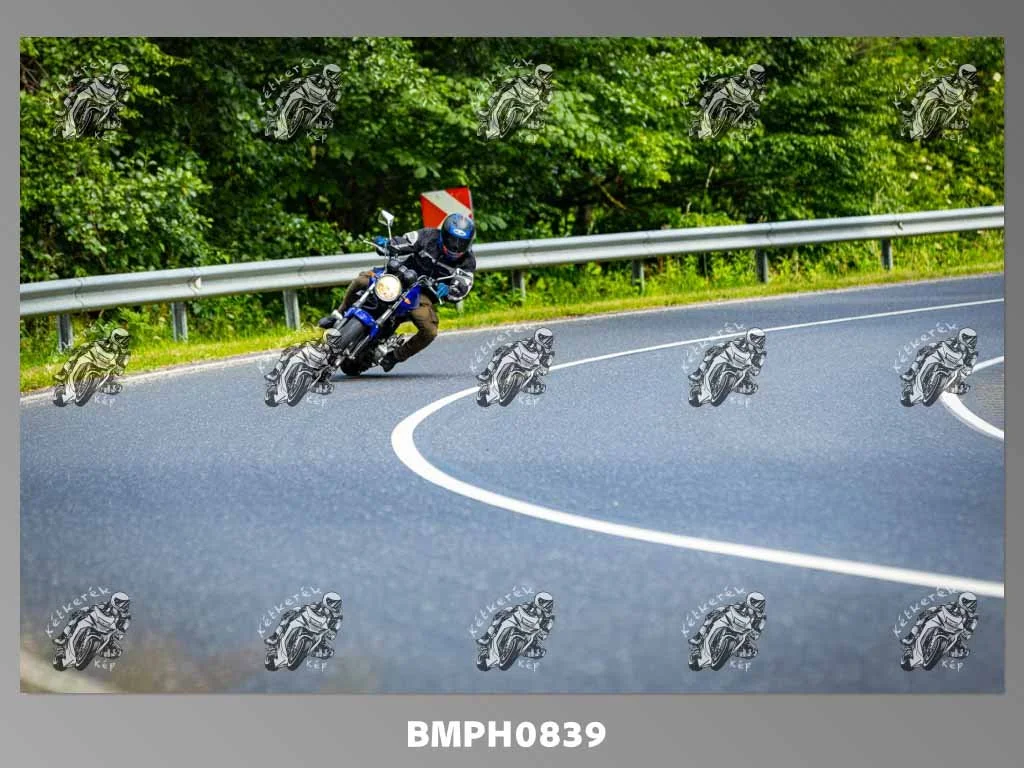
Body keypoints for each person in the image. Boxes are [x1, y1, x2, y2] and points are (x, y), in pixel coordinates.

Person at [320, 212, 477, 371]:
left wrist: (450, 290)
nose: (455, 246)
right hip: (399, 275)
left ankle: (395, 356)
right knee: (362, 280)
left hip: (422, 293)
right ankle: (339, 314)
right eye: (452, 240)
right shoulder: (428, 235)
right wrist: (388, 243)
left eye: (461, 243)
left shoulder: (467, 262)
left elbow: (463, 285)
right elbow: (405, 241)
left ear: (469, 243)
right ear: (443, 234)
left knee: (429, 331)